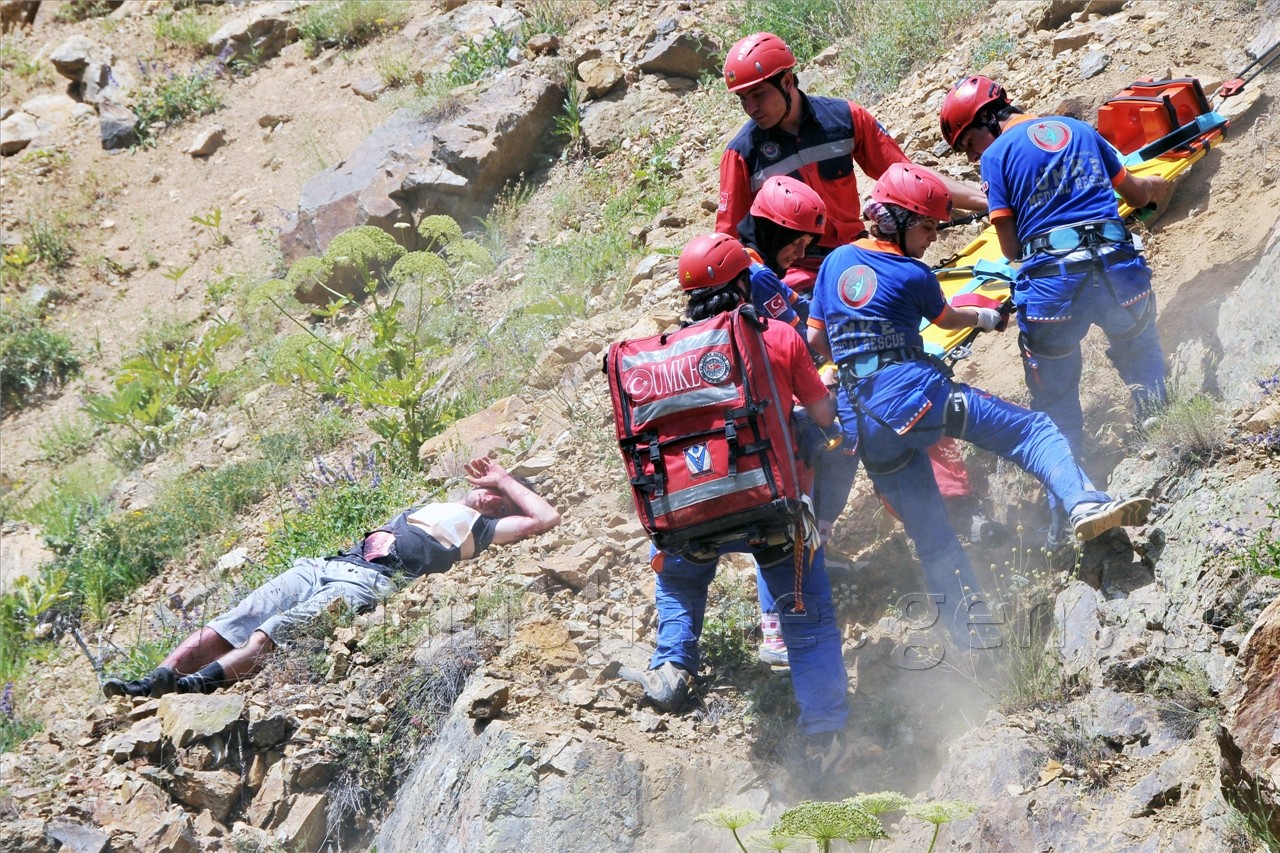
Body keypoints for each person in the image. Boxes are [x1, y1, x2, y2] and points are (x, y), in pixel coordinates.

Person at [807, 163, 1153, 644]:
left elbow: (817, 341)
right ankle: (1083, 504)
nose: (932, 238)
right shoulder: (910, 273)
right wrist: (988, 319)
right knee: (1034, 431)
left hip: (868, 425)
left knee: (933, 542)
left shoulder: (833, 264)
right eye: (927, 226)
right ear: (899, 220)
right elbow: (948, 319)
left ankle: (978, 646)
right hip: (918, 396)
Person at [745, 176, 1002, 667]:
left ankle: (803, 578)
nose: (800, 252)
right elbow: (799, 338)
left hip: (778, 400)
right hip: (789, 403)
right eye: (797, 241)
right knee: (804, 500)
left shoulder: (752, 271)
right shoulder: (758, 276)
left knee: (807, 499)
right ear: (775, 230)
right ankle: (783, 620)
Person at [620, 232, 852, 770]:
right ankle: (823, 735)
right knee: (806, 613)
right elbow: (821, 417)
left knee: (679, 575)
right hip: (770, 508)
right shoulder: (775, 337)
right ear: (744, 282)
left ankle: (672, 667)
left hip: (690, 514)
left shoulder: (664, 359)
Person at [102, 457, 561, 699]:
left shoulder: (481, 531)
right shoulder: (440, 504)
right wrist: (493, 484)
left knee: (271, 635)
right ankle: (156, 679)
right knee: (231, 621)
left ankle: (191, 687)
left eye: (497, 499)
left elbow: (546, 519)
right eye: (487, 491)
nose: (488, 498)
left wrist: (505, 480)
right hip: (322, 565)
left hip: (366, 584)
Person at [939, 75, 1171, 547]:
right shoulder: (1078, 129)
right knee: (1140, 345)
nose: (970, 157)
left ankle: (1066, 519)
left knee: (1056, 403)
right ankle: (1167, 441)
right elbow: (1138, 196)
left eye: (967, 144)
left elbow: (1010, 246)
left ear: (987, 120)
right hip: (1119, 275)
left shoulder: (998, 157)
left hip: (1052, 293)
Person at [716, 31, 986, 293]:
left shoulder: (845, 118)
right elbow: (728, 241)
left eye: (758, 94)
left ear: (787, 81)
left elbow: (912, 180)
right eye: (743, 99)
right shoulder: (741, 153)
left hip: (857, 252)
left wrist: (988, 202)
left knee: (914, 291)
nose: (751, 108)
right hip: (796, 274)